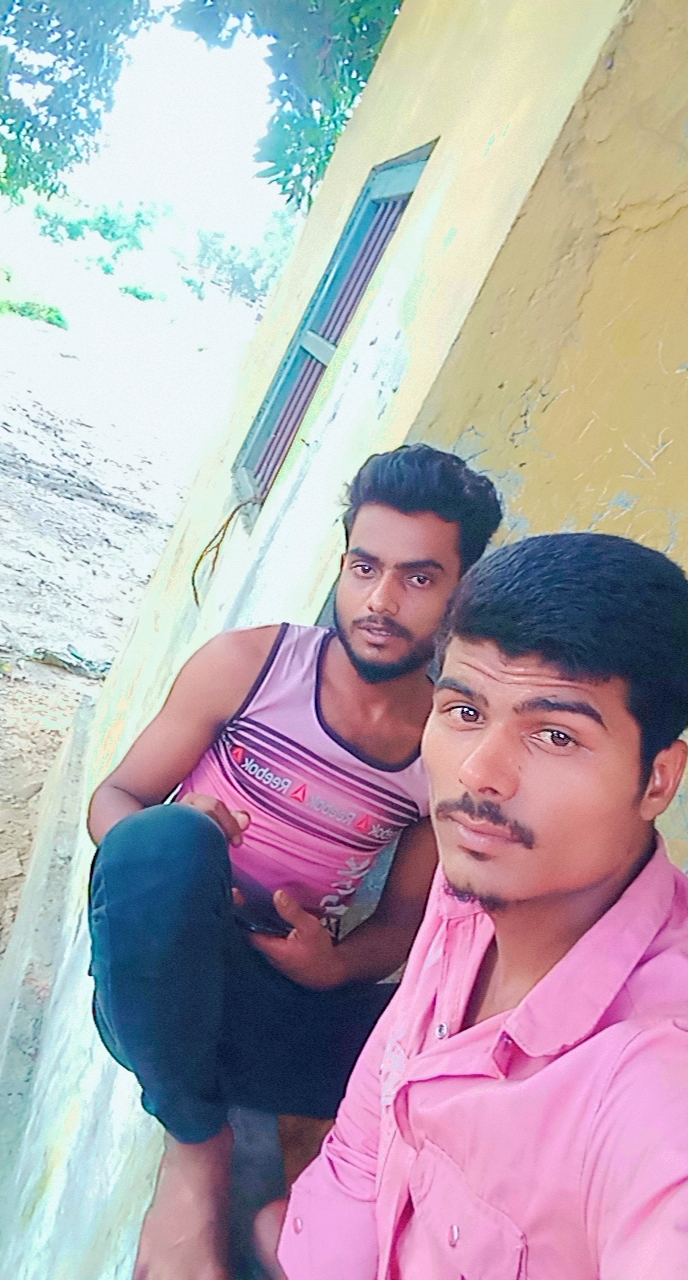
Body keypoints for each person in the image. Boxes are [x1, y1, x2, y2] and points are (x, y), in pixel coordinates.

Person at [86, 442, 502, 1280]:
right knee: (164, 842)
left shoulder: (443, 747)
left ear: (461, 594)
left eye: (419, 578)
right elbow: (115, 801)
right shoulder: (252, 667)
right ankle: (193, 1149)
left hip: (278, 1004)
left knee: (459, 1045)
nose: (380, 600)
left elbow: (402, 926)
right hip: (162, 973)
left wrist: (332, 964)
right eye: (365, 566)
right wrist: (180, 824)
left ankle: (292, 1225)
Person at [279, 531, 688, 1280]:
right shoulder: (468, 888)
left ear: (658, 779)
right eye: (463, 711)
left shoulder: (670, 1087)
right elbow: (367, 1136)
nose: (481, 773)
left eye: (555, 734)